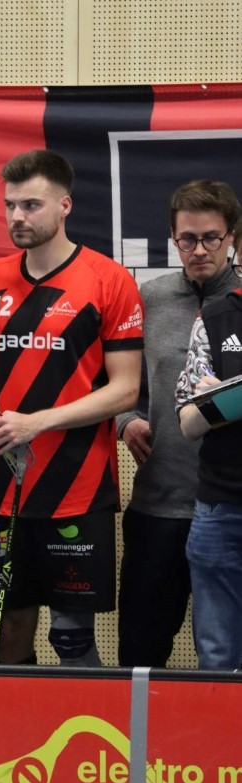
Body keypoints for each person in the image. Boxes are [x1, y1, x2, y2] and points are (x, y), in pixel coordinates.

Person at [0, 150, 143, 666]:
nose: (17, 216)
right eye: (10, 205)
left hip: (79, 489)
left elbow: (126, 390)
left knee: (71, 639)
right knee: (7, 635)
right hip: (6, 492)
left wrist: (37, 422)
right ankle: (8, 723)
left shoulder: (108, 280)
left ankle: (88, 723)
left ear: (64, 205)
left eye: (31, 205)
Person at [117, 180, 241, 667]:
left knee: (223, 654)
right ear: (173, 238)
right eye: (187, 239)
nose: (199, 250)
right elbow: (120, 383)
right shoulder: (148, 298)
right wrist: (126, 421)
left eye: (211, 237)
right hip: (159, 505)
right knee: (140, 653)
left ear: (231, 238)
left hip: (229, 505)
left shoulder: (238, 307)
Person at [175, 216, 242, 669]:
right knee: (217, 656)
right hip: (221, 508)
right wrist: (226, 399)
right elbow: (188, 422)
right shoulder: (216, 318)